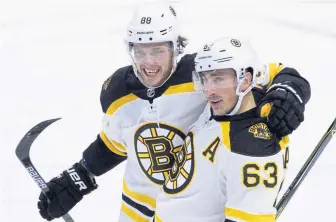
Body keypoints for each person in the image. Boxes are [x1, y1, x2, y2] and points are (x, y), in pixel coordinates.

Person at [37, 2, 310, 222]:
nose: (149, 63)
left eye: (157, 50)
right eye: (140, 52)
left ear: (175, 47)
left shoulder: (205, 74)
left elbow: (269, 72)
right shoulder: (117, 92)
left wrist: (289, 91)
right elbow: (115, 141)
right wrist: (79, 177)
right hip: (136, 212)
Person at [154, 37, 291, 222]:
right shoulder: (228, 104)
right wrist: (292, 86)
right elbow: (278, 71)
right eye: (205, 79)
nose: (209, 91)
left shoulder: (250, 150)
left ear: (245, 79)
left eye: (218, 79)